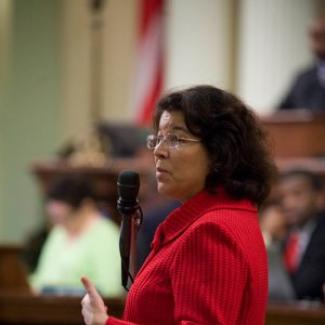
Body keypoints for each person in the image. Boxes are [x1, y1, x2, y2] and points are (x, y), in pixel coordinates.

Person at [81, 85, 276, 324]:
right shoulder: (235, 214)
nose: (159, 152)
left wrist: (105, 323)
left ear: (219, 152)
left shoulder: (211, 231)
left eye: (176, 139)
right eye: (158, 139)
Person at [30, 175, 122, 297]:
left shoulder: (106, 235)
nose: (61, 224)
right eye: (55, 219)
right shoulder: (59, 232)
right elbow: (41, 278)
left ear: (86, 206)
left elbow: (110, 288)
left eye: (66, 217)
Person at [278, 169, 325, 301]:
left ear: (319, 197)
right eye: (282, 197)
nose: (288, 204)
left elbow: (305, 286)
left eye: (297, 194)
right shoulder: (284, 234)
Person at [278, 14, 325, 110]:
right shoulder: (302, 79)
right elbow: (279, 113)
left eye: (322, 35)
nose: (317, 42)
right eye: (314, 36)